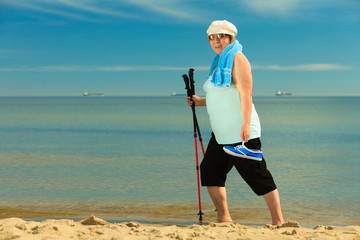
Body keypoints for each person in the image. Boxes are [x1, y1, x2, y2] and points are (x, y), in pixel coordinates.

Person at [186, 20, 285, 225]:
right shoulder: (219, 62)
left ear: (230, 37)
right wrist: (200, 101)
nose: (216, 41)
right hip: (221, 134)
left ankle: (278, 221)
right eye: (211, 37)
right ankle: (224, 218)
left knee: (258, 176)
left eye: (220, 36)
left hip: (240, 132)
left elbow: (246, 94)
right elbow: (221, 95)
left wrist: (246, 125)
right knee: (210, 172)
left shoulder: (237, 58)